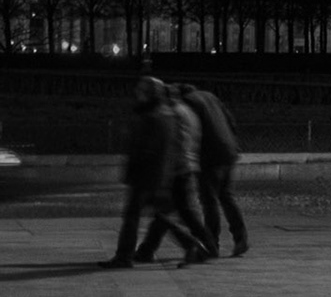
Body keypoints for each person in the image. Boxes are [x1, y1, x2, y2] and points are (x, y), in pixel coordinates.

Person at [100, 78, 209, 269]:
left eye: (141, 91)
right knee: (163, 215)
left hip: (147, 175)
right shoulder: (165, 114)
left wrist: (134, 169)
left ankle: (124, 256)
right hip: (159, 175)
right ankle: (191, 245)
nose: (137, 94)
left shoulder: (153, 115)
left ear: (149, 94)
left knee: (133, 216)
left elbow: (146, 148)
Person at [133, 84, 213, 264]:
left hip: (177, 168)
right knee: (169, 211)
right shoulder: (188, 112)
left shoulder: (174, 114)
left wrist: (164, 170)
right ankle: (147, 249)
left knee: (172, 212)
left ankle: (203, 246)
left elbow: (173, 144)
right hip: (188, 165)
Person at [179, 83, 248, 257]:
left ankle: (212, 243)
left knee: (209, 201)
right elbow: (231, 121)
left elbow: (192, 130)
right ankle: (241, 238)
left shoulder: (188, 102)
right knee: (226, 196)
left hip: (210, 156)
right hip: (228, 152)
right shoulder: (211, 97)